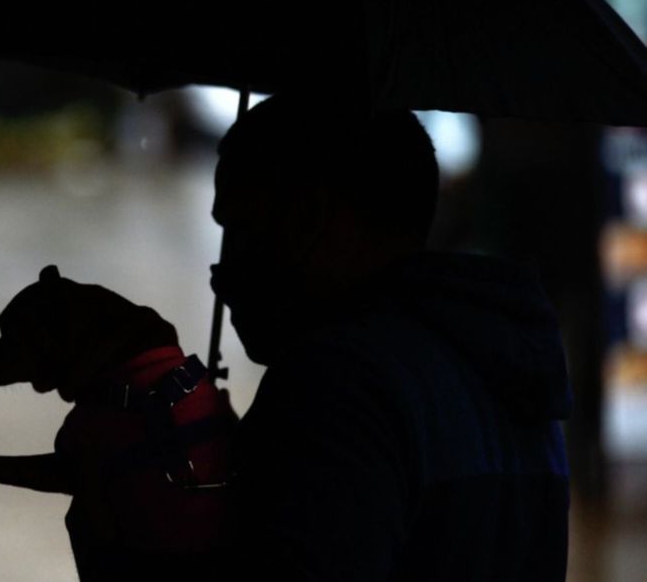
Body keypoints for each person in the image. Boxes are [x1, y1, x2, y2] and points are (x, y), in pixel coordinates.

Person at [210, 95, 570, 580]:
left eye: (238, 230)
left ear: (308, 219)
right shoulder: (518, 377)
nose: (220, 274)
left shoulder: (331, 387)